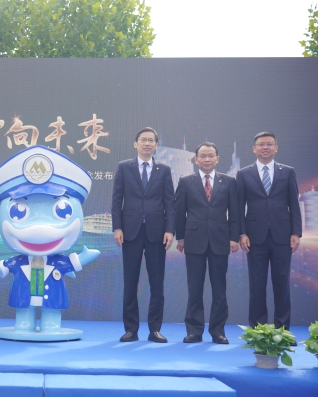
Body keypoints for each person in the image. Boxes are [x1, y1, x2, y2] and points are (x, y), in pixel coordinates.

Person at [111, 127, 175, 343]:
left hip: (157, 233)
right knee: (131, 282)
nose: (147, 143)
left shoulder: (163, 170)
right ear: (135, 143)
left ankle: (155, 329)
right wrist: (117, 228)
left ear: (156, 145)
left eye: (151, 140)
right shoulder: (124, 167)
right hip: (130, 231)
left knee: (157, 283)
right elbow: (117, 199)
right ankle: (131, 329)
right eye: (143, 140)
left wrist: (170, 230)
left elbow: (170, 202)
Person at [236, 132, 301, 341]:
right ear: (254, 148)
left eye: (269, 144)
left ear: (276, 148)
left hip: (283, 236)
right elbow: (239, 207)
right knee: (257, 285)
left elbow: (294, 204)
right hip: (254, 238)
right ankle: (258, 332)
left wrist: (296, 232)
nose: (265, 147)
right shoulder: (244, 173)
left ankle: (283, 332)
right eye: (261, 144)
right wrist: (242, 233)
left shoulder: (288, 172)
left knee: (282, 285)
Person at [175, 142, 239, 344]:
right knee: (195, 288)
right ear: (196, 160)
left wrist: (234, 237)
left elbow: (235, 212)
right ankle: (194, 330)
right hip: (194, 240)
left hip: (220, 240)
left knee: (219, 289)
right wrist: (180, 237)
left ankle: (218, 331)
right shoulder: (186, 181)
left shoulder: (229, 181)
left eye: (211, 155)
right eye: (203, 156)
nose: (207, 159)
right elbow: (179, 212)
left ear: (217, 159)